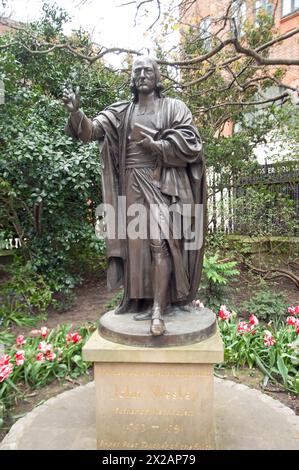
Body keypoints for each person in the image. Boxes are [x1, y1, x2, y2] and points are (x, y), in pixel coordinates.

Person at [63, 56, 206, 336]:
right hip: (131, 184)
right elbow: (91, 131)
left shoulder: (174, 107)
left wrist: (159, 145)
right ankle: (143, 300)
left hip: (161, 182)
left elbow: (192, 142)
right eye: (137, 70)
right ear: (132, 78)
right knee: (136, 248)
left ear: (157, 77)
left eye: (147, 70)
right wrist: (76, 113)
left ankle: (158, 310)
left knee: (160, 241)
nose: (142, 74)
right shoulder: (121, 112)